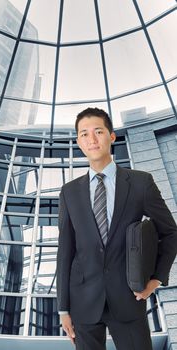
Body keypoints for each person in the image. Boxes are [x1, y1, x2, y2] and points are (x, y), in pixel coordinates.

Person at [56, 107, 177, 350]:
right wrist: (63, 309)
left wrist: (155, 280)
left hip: (129, 298)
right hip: (83, 302)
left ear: (111, 136)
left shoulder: (141, 183)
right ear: (79, 141)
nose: (92, 139)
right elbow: (65, 251)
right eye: (84, 134)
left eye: (98, 131)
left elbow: (171, 233)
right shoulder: (69, 192)